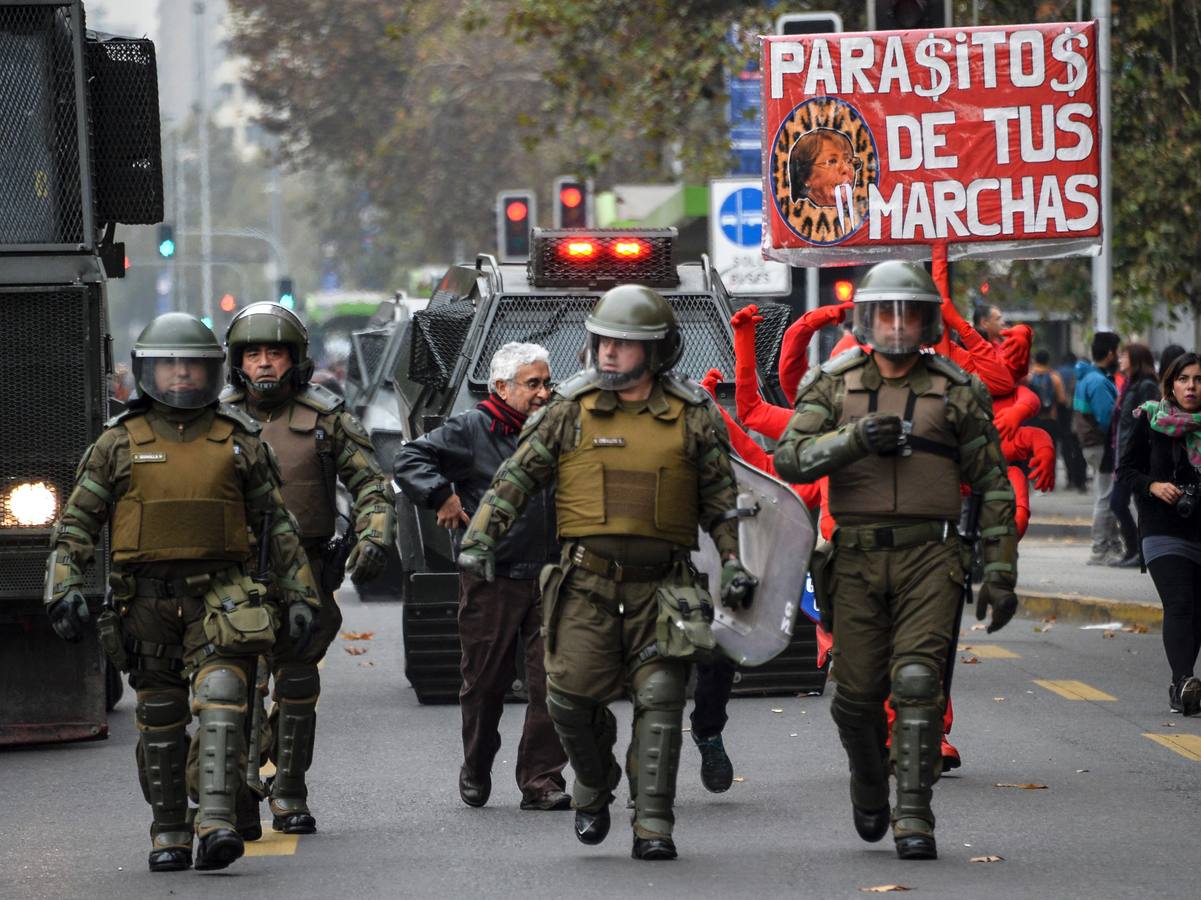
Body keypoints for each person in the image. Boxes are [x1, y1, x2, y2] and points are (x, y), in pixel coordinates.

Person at [456, 285, 756, 861]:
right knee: (567, 700)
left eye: (625, 344)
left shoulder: (694, 416)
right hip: (584, 586)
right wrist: (481, 540)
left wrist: (736, 562)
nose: (610, 353)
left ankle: (653, 825)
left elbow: (722, 501)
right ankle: (594, 784)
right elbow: (515, 481)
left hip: (664, 586)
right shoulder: (567, 410)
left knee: (663, 700)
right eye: (604, 342)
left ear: (659, 350)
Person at [43, 313, 321, 873]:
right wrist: (63, 585)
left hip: (222, 597)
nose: (179, 375)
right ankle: (168, 832)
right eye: (168, 364)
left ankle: (215, 822)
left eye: (190, 364)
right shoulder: (117, 444)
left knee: (222, 700)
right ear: (148, 370)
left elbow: (278, 525)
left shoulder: (238, 439)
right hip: (142, 604)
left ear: (209, 369)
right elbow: (76, 524)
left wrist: (301, 595)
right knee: (162, 720)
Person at [774, 261, 1018, 861]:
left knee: (917, 683)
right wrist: (853, 440)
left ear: (928, 319)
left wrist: (1002, 570)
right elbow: (790, 458)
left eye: (910, 312)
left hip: (931, 556)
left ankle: (914, 812)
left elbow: (992, 484)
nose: (898, 324)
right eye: (887, 311)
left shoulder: (957, 388)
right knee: (854, 697)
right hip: (853, 558)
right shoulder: (832, 384)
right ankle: (867, 779)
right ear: (867, 317)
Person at [222, 302, 396, 834]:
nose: (265, 364)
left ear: (295, 359)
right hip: (234, 577)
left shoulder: (326, 420)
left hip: (309, 573)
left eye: (275, 352)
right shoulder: (214, 422)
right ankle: (238, 791)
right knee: (234, 688)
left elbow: (372, 486)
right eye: (253, 354)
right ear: (237, 362)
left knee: (297, 685)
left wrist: (373, 534)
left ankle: (290, 791)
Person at [394, 342, 569, 811]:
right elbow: (409, 460)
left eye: (547, 383)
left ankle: (541, 781)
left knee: (552, 683)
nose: (543, 393)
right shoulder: (472, 429)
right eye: (533, 384)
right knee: (485, 684)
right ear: (501, 387)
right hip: (493, 578)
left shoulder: (556, 429)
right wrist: (441, 498)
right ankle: (476, 764)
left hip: (552, 578)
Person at [1116, 352, 1201, 715]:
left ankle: (1180, 684)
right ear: (1171, 383)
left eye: (1198, 380)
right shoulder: (1151, 419)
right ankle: (1183, 681)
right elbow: (1126, 471)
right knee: (1180, 603)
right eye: (1184, 379)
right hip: (1161, 527)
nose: (1191, 387)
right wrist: (1153, 486)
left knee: (1196, 610)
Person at [1108, 343, 1160, 567]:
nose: (1120, 359)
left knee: (1123, 502)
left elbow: (1147, 421)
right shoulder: (1129, 384)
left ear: (1136, 359)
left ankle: (1141, 552)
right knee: (1121, 503)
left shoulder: (1146, 386)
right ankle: (1135, 551)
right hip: (1124, 454)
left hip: (1137, 456)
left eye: (1124, 356)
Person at [1074, 332, 1122, 565]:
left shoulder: (1088, 377)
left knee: (1105, 494)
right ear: (1111, 353)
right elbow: (1108, 418)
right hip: (1101, 445)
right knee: (1105, 497)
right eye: (1119, 352)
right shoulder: (1099, 381)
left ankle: (1112, 545)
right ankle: (1099, 548)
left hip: (1091, 445)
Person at [1056, 352, 1089, 490]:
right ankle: (1080, 481)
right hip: (1082, 420)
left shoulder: (1057, 373)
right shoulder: (1087, 379)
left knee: (1067, 447)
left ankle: (1071, 478)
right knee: (1080, 449)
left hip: (1064, 417)